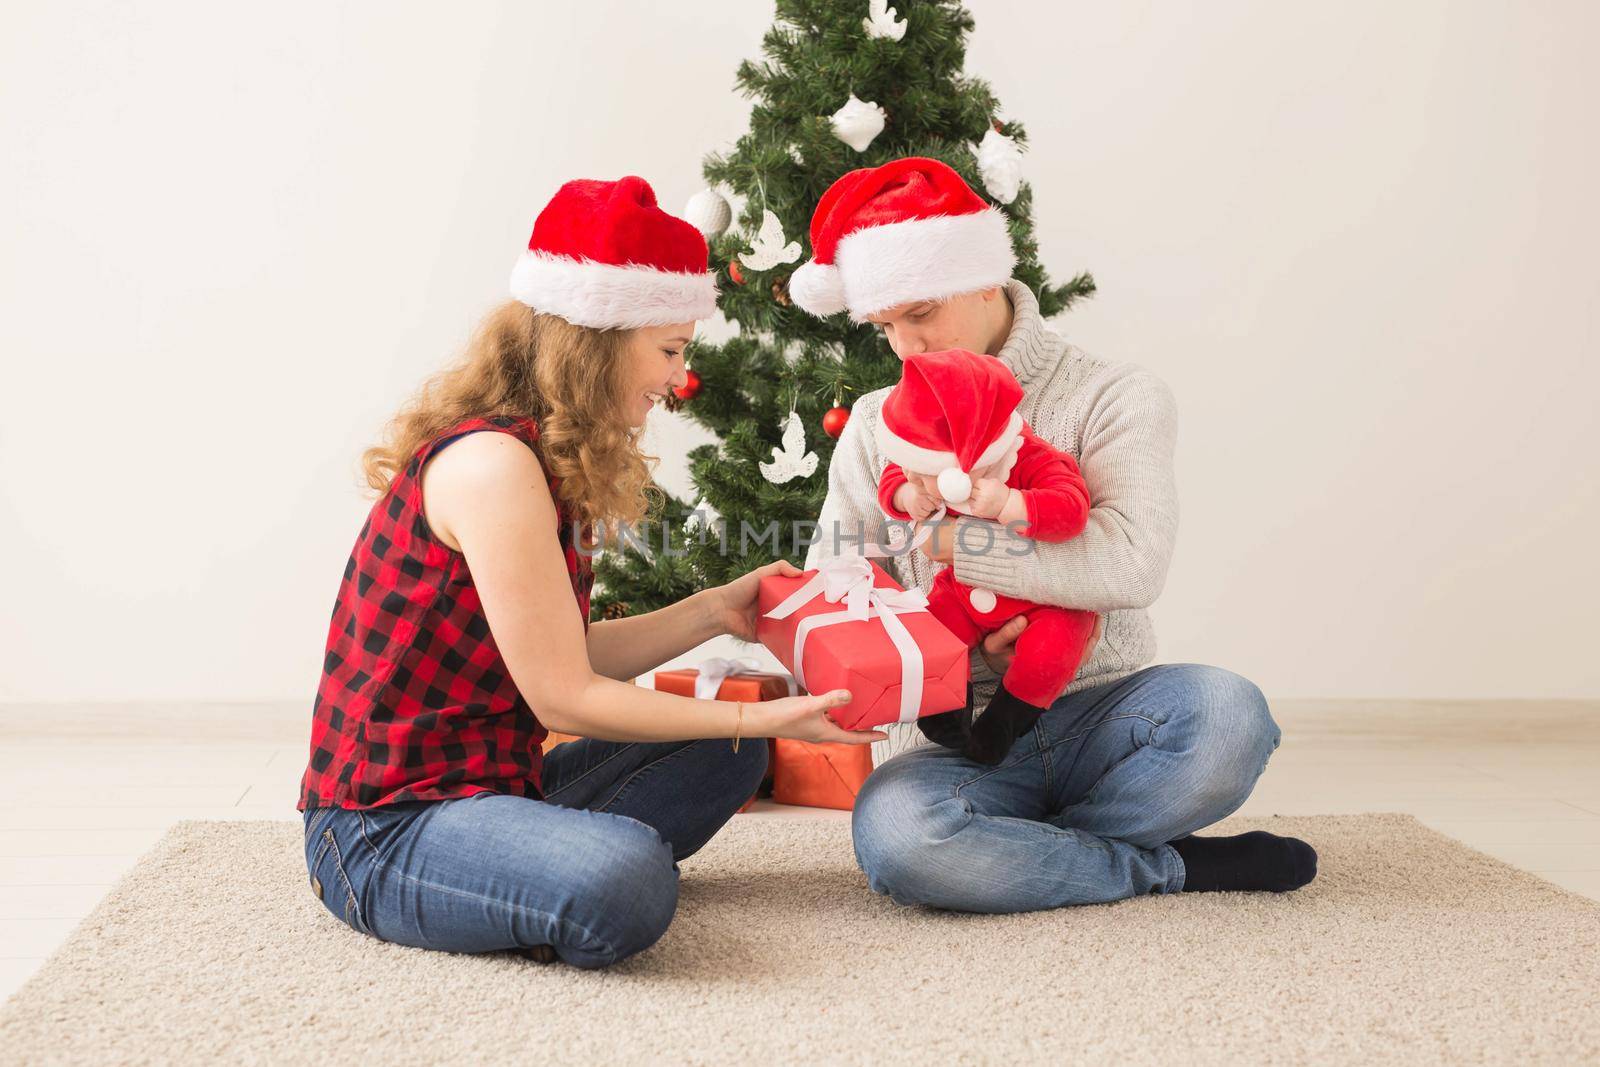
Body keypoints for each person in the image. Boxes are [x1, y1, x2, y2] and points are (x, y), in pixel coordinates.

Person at [298, 175, 881, 967]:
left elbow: (564, 652)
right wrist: (763, 716)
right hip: (383, 829)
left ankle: (526, 867)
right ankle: (543, 874)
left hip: (494, 786)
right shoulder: (493, 466)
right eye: (671, 350)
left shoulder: (532, 455)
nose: (678, 379)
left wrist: (715, 610)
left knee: (729, 752)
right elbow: (564, 694)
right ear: (602, 337)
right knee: (629, 878)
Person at [791, 156, 1317, 910]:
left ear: (981, 277)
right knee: (902, 839)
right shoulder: (878, 423)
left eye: (921, 314)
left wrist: (960, 551)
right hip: (954, 741)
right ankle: (1165, 865)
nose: (905, 347)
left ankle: (1024, 856)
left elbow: (1130, 562)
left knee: (1230, 716)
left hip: (1104, 712)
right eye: (885, 326)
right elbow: (836, 581)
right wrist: (961, 639)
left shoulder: (1114, 395)